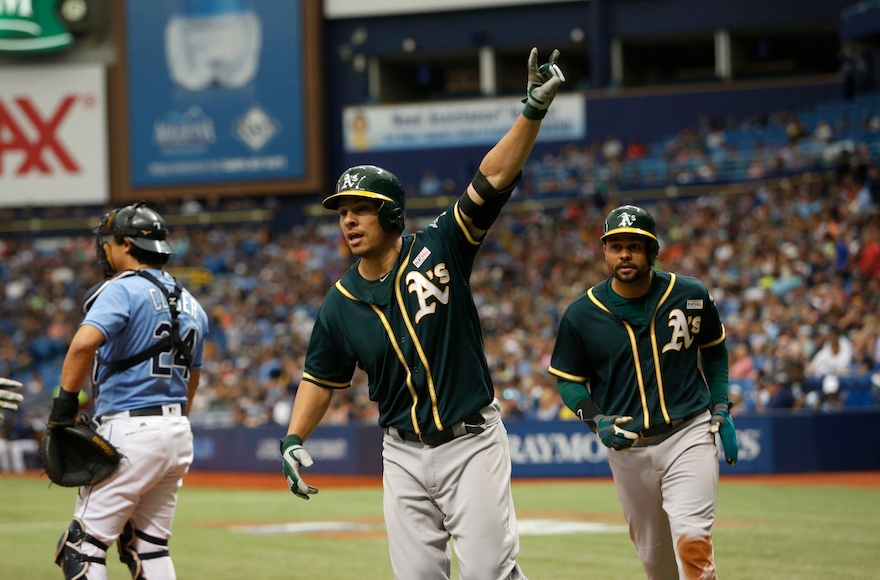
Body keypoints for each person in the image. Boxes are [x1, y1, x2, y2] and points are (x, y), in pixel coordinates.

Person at [280, 47, 565, 580]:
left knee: (489, 574)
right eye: (342, 213)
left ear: (389, 212)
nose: (348, 221)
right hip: (402, 454)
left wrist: (531, 110)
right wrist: (295, 437)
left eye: (360, 209)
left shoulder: (440, 246)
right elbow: (320, 377)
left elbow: (492, 180)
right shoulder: (339, 303)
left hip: (470, 442)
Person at [548, 204, 738, 579]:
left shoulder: (690, 293)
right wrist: (595, 419)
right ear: (604, 250)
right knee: (655, 562)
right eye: (615, 245)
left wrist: (720, 405)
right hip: (628, 448)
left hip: (689, 432)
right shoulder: (581, 313)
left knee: (693, 541)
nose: (624, 254)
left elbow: (714, 349)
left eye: (635, 245)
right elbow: (568, 379)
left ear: (653, 251)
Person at [49, 203, 208, 580]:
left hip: (130, 430)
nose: (105, 248)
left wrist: (62, 410)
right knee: (149, 548)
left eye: (109, 241)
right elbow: (193, 378)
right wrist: (173, 426)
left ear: (124, 243)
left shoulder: (122, 289)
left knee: (82, 548)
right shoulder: (192, 302)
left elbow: (82, 346)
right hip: (176, 431)